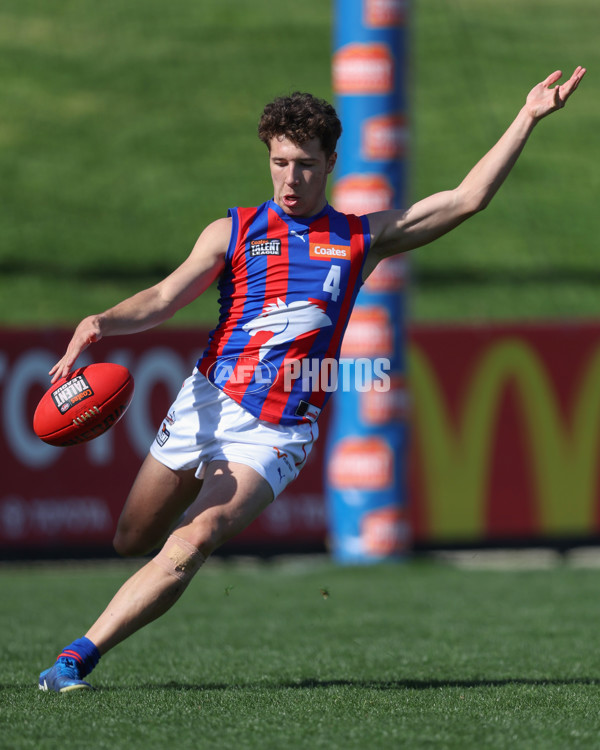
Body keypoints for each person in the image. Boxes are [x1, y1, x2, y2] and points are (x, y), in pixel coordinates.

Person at [39, 66, 585, 692]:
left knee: (195, 537)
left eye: (303, 163)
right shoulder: (234, 231)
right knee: (132, 540)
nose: (289, 178)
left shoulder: (358, 239)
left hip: (276, 432)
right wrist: (101, 323)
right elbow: (164, 296)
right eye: (278, 162)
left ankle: (74, 660)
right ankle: (124, 599)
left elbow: (465, 200)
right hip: (206, 403)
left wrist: (528, 117)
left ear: (330, 162)